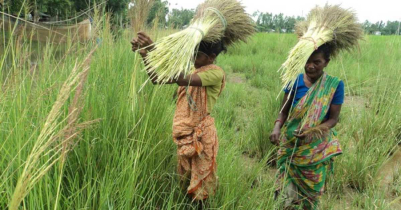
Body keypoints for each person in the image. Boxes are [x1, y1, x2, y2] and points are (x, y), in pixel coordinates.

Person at [131, 32, 226, 203]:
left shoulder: (215, 73)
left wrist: (155, 49)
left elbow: (180, 79)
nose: (192, 57)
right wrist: (146, 55)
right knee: (185, 181)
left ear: (211, 57)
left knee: (201, 187)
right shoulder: (192, 70)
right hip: (184, 134)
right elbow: (156, 79)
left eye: (197, 55)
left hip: (201, 137)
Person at [270, 43, 344, 209]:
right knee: (283, 196)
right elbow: (283, 111)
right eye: (307, 61)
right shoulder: (294, 80)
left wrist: (312, 131)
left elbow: (333, 119)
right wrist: (276, 128)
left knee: (309, 198)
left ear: (327, 62)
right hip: (290, 147)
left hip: (314, 150)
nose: (310, 66)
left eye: (316, 62)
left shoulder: (334, 85)